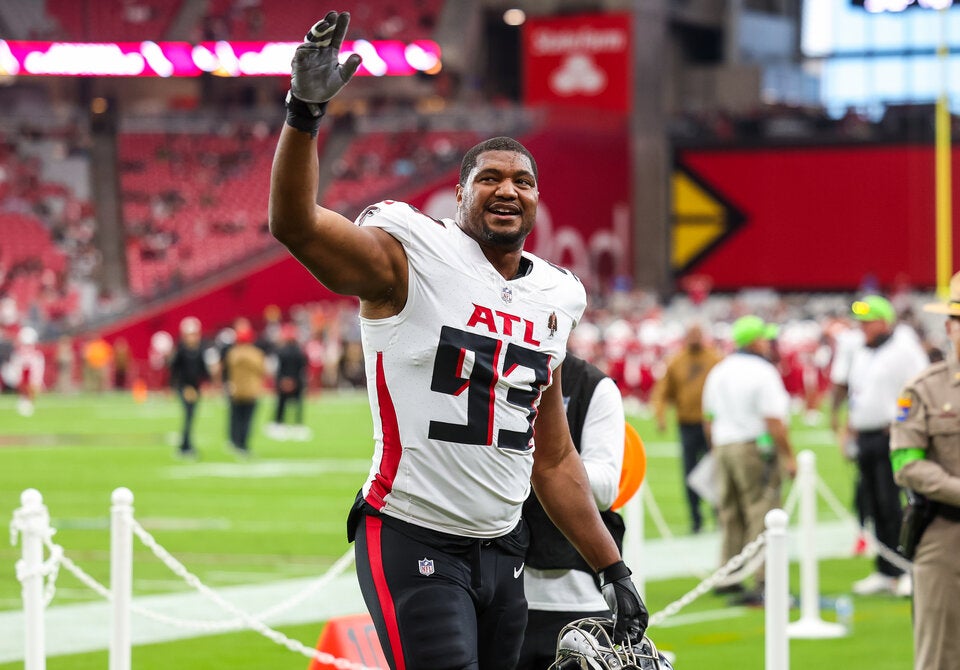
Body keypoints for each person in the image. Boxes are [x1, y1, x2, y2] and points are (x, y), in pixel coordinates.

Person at [269, 12, 647, 669]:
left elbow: (553, 460)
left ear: (536, 200)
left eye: (522, 181)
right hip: (413, 530)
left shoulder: (554, 297)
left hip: (505, 547)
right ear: (459, 195)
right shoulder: (413, 257)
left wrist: (611, 567)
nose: (507, 189)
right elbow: (295, 225)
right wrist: (304, 112)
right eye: (489, 179)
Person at [517, 353, 625, 670]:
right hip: (496, 588)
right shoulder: (489, 369)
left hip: (579, 595)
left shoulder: (594, 385)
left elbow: (605, 489)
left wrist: (542, 465)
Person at [890, 272, 960, 670]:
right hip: (947, 536)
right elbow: (906, 464)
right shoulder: (924, 389)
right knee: (940, 656)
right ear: (950, 327)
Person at [702, 315, 797, 605]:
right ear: (754, 340)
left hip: (723, 445)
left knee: (730, 514)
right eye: (764, 338)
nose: (768, 342)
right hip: (753, 447)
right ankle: (764, 579)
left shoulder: (720, 369)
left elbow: (708, 418)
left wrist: (716, 448)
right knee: (762, 511)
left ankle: (728, 575)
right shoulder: (763, 371)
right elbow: (774, 420)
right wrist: (788, 456)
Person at [841, 295, 928, 597]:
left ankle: (906, 567)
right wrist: (848, 431)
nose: (862, 327)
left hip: (892, 436)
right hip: (866, 437)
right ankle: (885, 569)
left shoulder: (903, 349)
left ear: (884, 320)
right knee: (873, 505)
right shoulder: (864, 352)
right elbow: (859, 395)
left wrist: (902, 422)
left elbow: (918, 388)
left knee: (895, 505)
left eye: (868, 321)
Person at [651, 322, 722, 534]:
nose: (694, 338)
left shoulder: (715, 359)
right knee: (690, 473)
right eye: (691, 334)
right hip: (687, 424)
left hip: (711, 424)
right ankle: (696, 519)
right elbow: (662, 390)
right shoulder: (676, 361)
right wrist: (660, 415)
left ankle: (719, 515)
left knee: (716, 471)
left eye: (697, 334)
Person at [169, 316, 209, 458]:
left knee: (191, 418)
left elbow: (203, 370)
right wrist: (183, 387)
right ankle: (185, 446)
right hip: (184, 388)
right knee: (188, 417)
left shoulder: (200, 349)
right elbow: (175, 371)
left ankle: (187, 445)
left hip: (195, 388)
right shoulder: (181, 350)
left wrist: (206, 384)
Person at [224, 323, 267, 456]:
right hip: (251, 391)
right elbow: (262, 370)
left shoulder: (233, 353)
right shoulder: (256, 354)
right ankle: (243, 444)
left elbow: (227, 371)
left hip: (235, 390)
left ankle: (234, 441)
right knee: (247, 420)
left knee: (235, 418)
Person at [268, 322, 310, 440]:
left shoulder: (280, 351)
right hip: (297, 382)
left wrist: (283, 380)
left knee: (281, 404)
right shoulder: (300, 352)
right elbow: (303, 369)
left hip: (283, 382)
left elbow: (277, 368)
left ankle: (278, 424)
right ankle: (298, 425)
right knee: (298, 405)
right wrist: (295, 381)